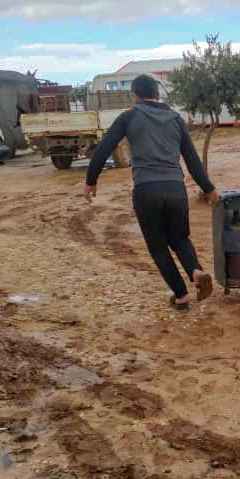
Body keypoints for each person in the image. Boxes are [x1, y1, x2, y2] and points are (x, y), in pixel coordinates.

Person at [84, 74, 218, 310]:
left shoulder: (129, 116)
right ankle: (196, 271)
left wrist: (91, 180)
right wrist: (209, 189)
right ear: (157, 94)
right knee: (180, 238)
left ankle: (181, 294)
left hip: (146, 189)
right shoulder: (176, 119)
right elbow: (192, 160)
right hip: (176, 189)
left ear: (135, 95)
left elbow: (104, 148)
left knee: (157, 246)